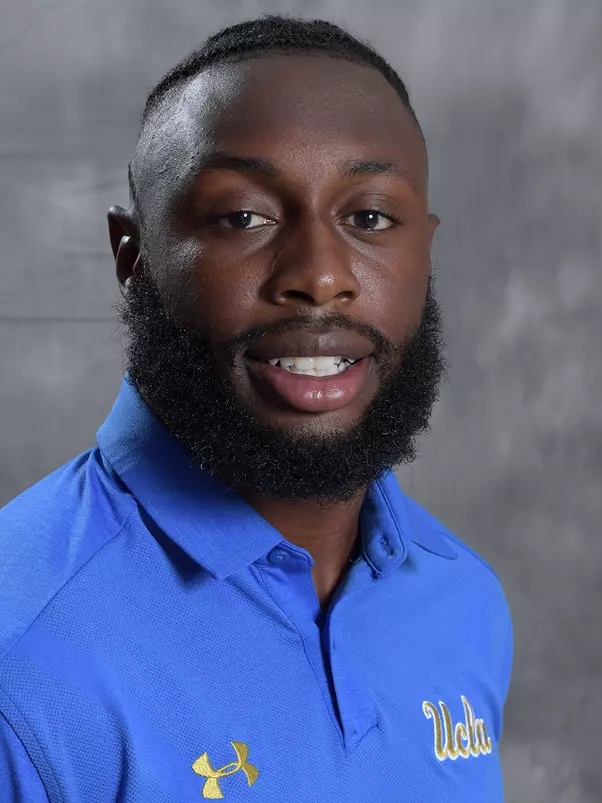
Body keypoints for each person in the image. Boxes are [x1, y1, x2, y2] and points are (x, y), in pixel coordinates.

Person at [0, 14, 513, 802]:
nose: (319, 275)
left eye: (369, 217)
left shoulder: (463, 598)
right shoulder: (23, 655)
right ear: (130, 257)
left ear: (424, 254)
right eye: (242, 216)